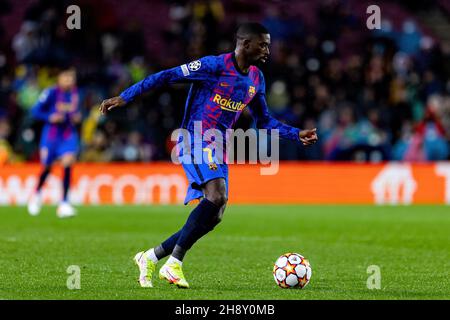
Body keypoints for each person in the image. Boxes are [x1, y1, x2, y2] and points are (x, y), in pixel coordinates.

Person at [100, 23, 318, 288]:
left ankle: (150, 256)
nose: (267, 50)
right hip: (194, 139)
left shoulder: (257, 78)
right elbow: (166, 76)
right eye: (263, 44)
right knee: (216, 196)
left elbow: (264, 121)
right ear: (245, 44)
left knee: (215, 214)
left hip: (219, 146)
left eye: (268, 45)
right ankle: (174, 264)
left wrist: (296, 134)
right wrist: (125, 96)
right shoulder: (213, 66)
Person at [28, 68, 81, 218]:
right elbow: (35, 110)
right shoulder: (50, 92)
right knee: (47, 166)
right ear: (59, 78)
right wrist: (49, 116)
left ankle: (64, 203)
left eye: (72, 78)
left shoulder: (76, 94)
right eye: (67, 77)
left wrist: (77, 117)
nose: (70, 81)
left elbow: (76, 112)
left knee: (68, 162)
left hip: (68, 134)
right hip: (51, 135)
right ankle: (36, 193)